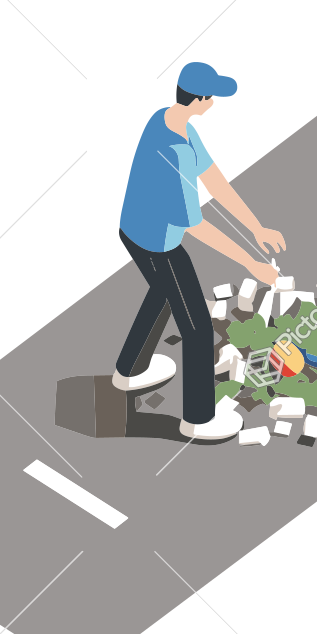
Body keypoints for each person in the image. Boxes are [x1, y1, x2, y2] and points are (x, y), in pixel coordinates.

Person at [114, 62, 285, 439]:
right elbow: (196, 225)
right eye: (214, 97)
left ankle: (129, 370)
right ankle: (198, 419)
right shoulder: (173, 151)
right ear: (201, 100)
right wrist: (252, 264)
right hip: (157, 243)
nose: (215, 104)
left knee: (160, 295)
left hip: (134, 230)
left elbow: (213, 179)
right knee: (196, 327)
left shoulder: (171, 121)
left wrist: (255, 228)